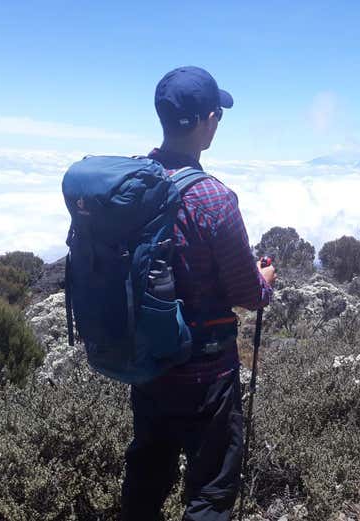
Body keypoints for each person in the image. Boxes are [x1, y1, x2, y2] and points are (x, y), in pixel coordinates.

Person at [120, 66, 276, 521]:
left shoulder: (132, 185)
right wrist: (264, 282)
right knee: (211, 489)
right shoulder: (213, 199)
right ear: (208, 121)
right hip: (206, 375)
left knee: (147, 472)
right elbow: (248, 294)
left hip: (148, 365)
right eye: (218, 116)